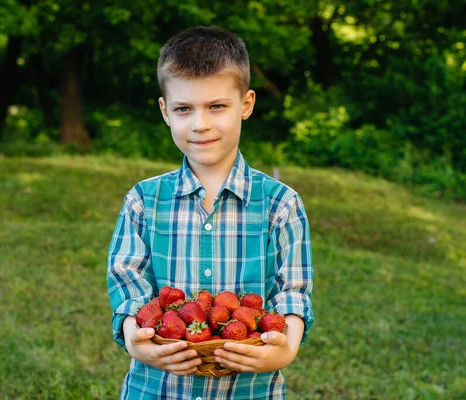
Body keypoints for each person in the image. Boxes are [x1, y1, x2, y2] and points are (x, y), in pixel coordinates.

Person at [107, 25, 314, 399]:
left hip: (249, 390)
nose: (200, 124)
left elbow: (293, 292)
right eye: (184, 108)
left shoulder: (281, 204)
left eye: (217, 106)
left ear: (246, 105)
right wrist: (135, 339)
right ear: (165, 111)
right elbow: (128, 284)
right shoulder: (142, 200)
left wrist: (287, 345)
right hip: (157, 388)